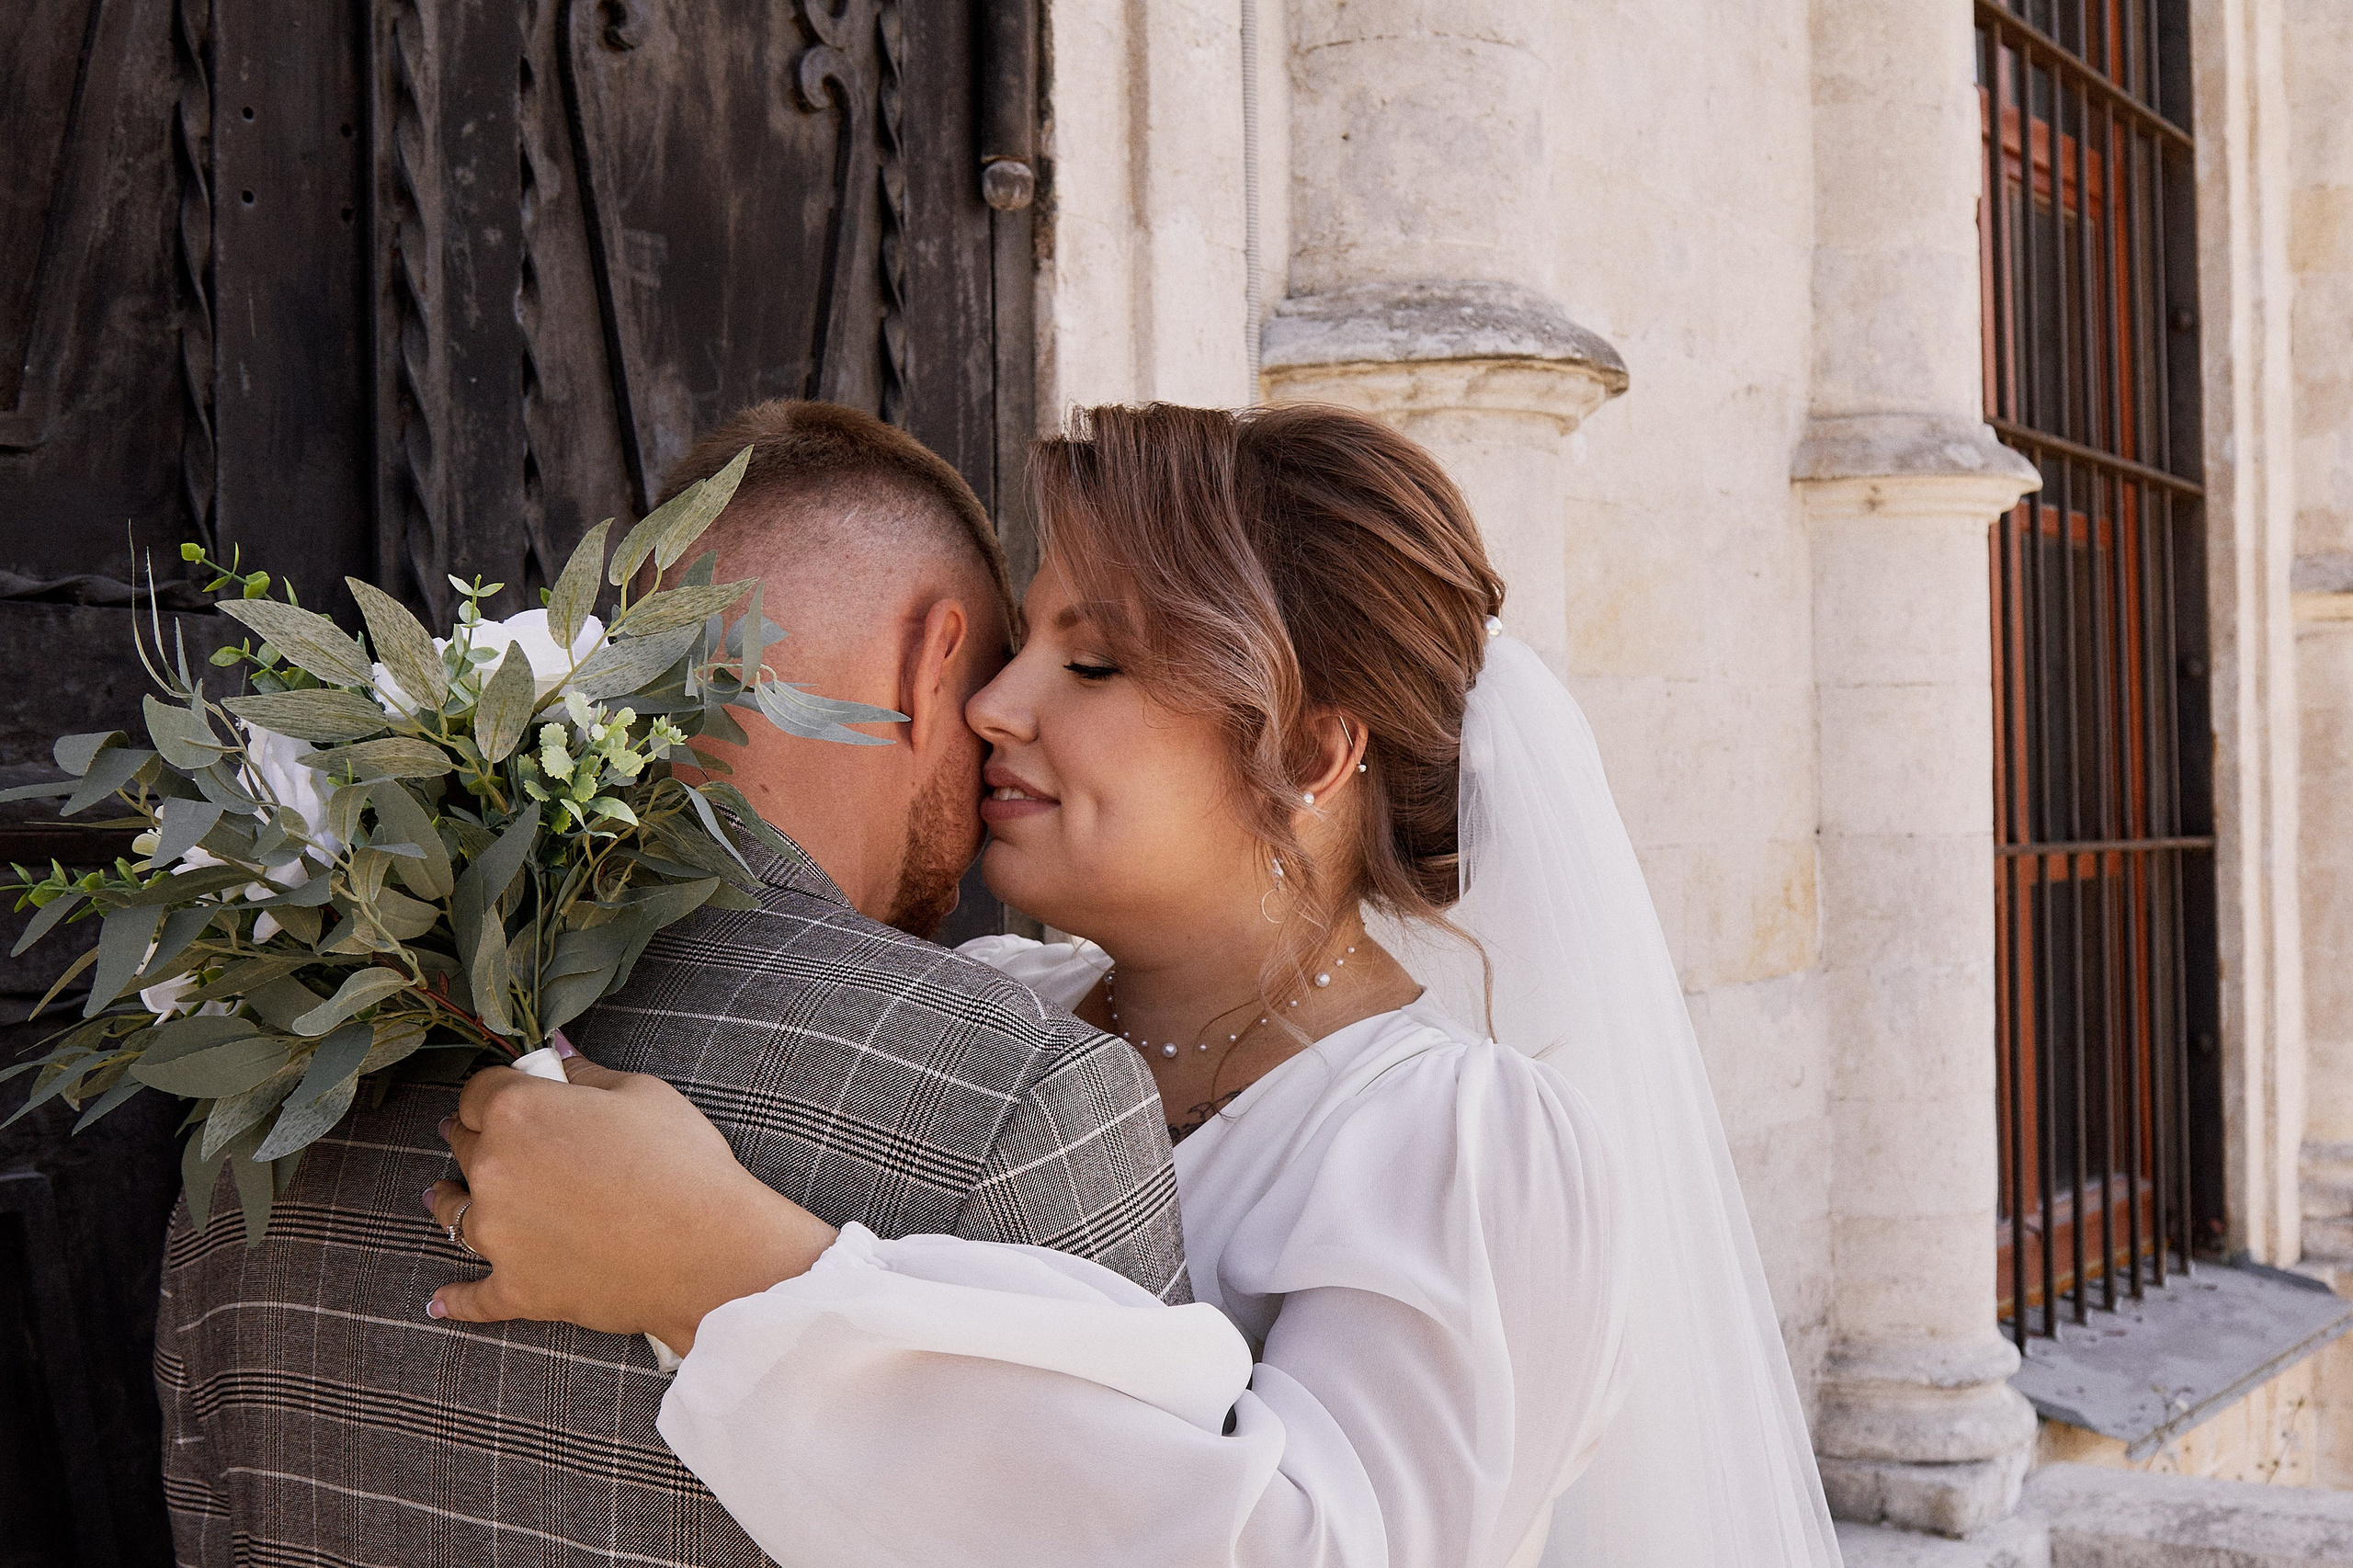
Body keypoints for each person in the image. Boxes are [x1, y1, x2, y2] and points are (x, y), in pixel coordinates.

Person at [423, 402, 1846, 1566]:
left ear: (1310, 753)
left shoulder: (1462, 1146)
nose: (994, 704)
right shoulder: (994, 1001)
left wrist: (724, 1269)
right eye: (1020, 643)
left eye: (1091, 661)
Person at [153, 401, 1189, 1568]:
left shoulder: (273, 1075)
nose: (1001, 743)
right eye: (996, 676)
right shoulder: (1021, 1092)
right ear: (929, 658)